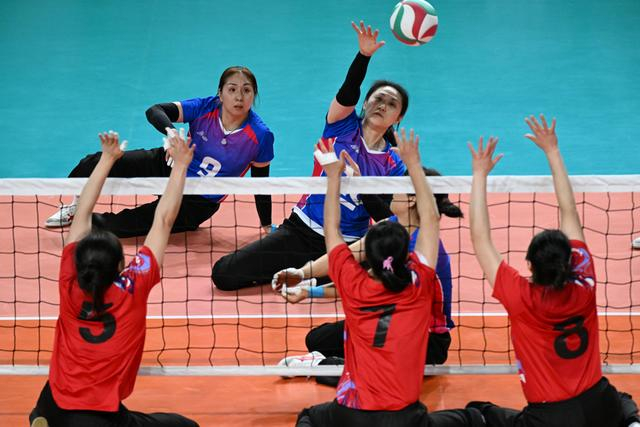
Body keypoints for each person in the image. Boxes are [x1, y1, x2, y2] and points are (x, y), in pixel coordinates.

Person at [296, 130, 484, 427]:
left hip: (422, 347)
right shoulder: (415, 273)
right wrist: (302, 275)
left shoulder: (360, 281)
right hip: (405, 411)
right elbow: (430, 219)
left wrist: (333, 178)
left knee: (312, 412)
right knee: (474, 416)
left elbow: (334, 236)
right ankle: (327, 364)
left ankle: (325, 366)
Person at [465, 115, 640, 427]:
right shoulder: (584, 282)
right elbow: (569, 210)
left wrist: (479, 175)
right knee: (622, 402)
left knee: (479, 413)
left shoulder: (520, 297)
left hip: (550, 418)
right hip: (599, 403)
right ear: (571, 261)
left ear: (530, 265)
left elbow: (480, 238)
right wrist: (553, 150)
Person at [212, 21, 408, 291]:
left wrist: (359, 184)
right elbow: (348, 91)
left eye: (391, 104)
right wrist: (363, 56)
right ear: (365, 103)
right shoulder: (342, 126)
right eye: (378, 99)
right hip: (302, 231)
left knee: (384, 274)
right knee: (223, 274)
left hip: (348, 244)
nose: (382, 106)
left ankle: (312, 276)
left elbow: (387, 218)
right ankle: (307, 274)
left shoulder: (394, 165)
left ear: (399, 118)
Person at [29, 131, 199, 427]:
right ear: (121, 265)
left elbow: (81, 214)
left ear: (79, 261)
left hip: (53, 401)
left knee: (49, 408)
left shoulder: (70, 279)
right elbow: (163, 220)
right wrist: (181, 165)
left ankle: (41, 417)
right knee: (187, 426)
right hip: (99, 418)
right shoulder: (133, 287)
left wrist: (107, 159)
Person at [273, 167, 463, 381]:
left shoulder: (419, 251)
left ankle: (322, 364)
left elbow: (363, 284)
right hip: (388, 321)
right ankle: (345, 358)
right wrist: (301, 273)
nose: (392, 191)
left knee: (379, 374)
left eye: (399, 187)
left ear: (412, 200)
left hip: (424, 340)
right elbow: (349, 253)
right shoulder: (392, 225)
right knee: (317, 340)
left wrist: (309, 292)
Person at [45, 66, 274, 238]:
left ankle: (84, 218)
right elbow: (155, 110)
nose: (239, 97)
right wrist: (172, 135)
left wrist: (266, 224)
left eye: (246, 90)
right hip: (170, 166)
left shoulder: (260, 135)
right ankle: (75, 205)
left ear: (254, 95)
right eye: (232, 89)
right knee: (93, 162)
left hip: (197, 202)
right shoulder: (205, 107)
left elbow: (260, 183)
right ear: (220, 94)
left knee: (121, 226)